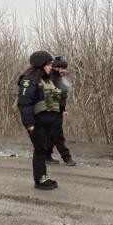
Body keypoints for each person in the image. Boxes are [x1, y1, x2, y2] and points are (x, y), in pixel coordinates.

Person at [16, 50, 63, 190]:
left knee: (44, 149)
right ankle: (40, 179)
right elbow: (24, 103)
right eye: (48, 64)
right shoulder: (28, 80)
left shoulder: (45, 79)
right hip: (36, 124)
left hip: (47, 123)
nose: (50, 67)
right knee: (40, 149)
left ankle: (44, 176)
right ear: (41, 65)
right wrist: (29, 124)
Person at [49, 55, 76, 166]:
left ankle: (46, 155)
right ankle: (66, 157)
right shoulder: (50, 78)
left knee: (52, 134)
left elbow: (63, 95)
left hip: (58, 110)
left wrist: (63, 109)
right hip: (50, 110)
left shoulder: (60, 78)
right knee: (57, 134)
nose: (65, 70)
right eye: (63, 68)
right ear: (57, 68)